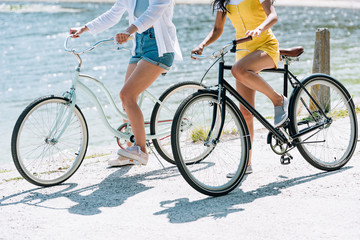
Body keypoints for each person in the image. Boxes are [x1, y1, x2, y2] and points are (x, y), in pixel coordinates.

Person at [70, 0, 182, 167]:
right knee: (126, 101)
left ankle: (141, 150)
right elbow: (112, 14)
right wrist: (85, 28)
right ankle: (131, 149)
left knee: (127, 95)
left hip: (158, 47)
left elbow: (152, 14)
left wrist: (128, 30)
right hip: (139, 46)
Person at [191, 0, 287, 174]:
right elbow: (217, 30)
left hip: (266, 47)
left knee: (238, 70)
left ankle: (278, 99)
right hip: (243, 53)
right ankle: (246, 164)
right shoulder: (224, 1)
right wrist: (202, 44)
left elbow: (273, 16)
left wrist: (259, 28)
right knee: (245, 113)